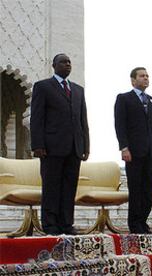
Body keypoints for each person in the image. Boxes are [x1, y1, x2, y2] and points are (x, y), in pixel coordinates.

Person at [30, 53, 89, 235]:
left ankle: (66, 224)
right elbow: (37, 118)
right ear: (54, 65)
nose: (67, 65)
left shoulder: (78, 90)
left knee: (69, 187)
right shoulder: (43, 87)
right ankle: (50, 225)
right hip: (51, 147)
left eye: (69, 62)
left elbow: (83, 121)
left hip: (74, 148)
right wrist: (37, 145)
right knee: (51, 186)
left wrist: (86, 146)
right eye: (63, 62)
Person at [114, 67, 152, 234]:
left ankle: (143, 222)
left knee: (148, 190)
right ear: (133, 80)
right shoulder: (124, 99)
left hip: (150, 152)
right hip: (133, 152)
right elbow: (120, 125)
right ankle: (135, 224)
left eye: (147, 76)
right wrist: (124, 147)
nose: (146, 78)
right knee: (135, 189)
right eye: (142, 76)